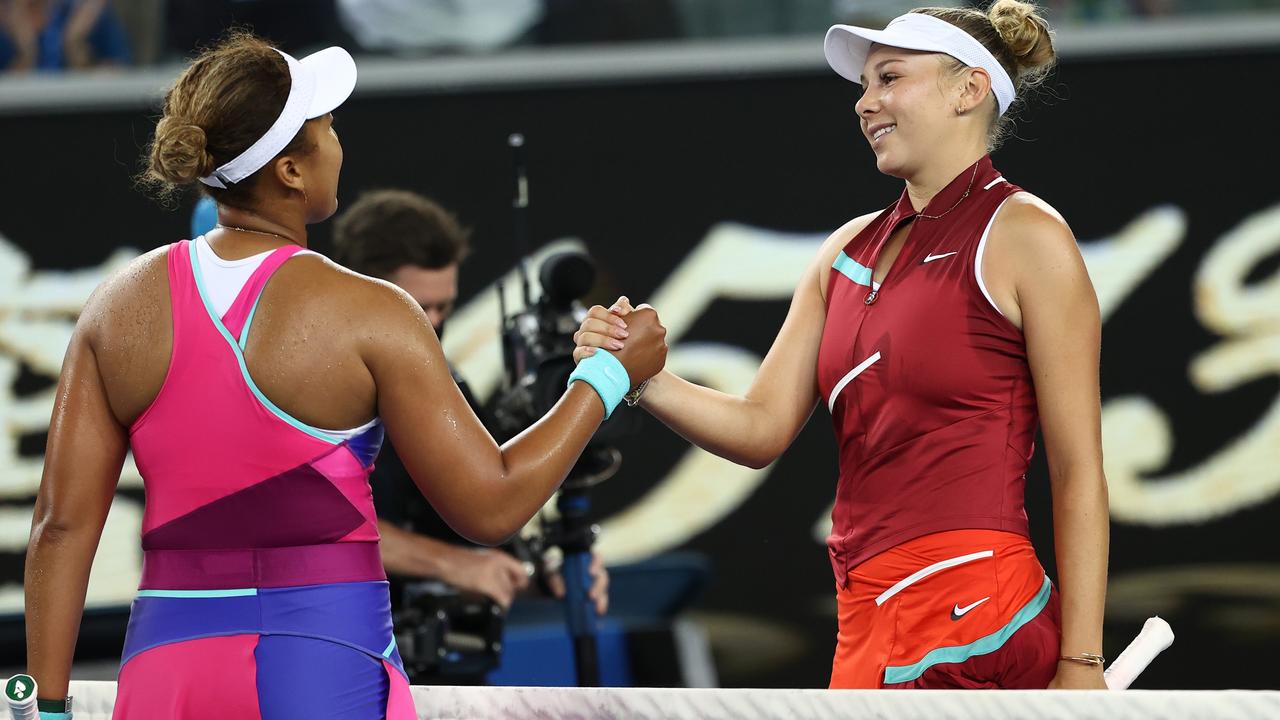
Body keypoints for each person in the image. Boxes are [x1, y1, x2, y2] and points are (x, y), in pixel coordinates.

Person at [23, 32, 665, 719]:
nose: (338, 143)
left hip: (166, 674)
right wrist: (604, 378)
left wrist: (44, 710)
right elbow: (492, 504)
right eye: (327, 127)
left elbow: (61, 528)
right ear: (291, 172)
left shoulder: (116, 307)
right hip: (320, 667)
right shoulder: (372, 312)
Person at [573, 0, 1109, 690]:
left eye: (889, 77)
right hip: (866, 620)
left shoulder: (1027, 233)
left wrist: (1081, 661)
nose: (865, 103)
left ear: (968, 90)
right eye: (863, 86)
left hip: (980, 621)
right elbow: (760, 428)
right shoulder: (844, 253)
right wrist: (638, 375)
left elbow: (1078, 469)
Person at [330, 188, 608, 617]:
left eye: (445, 305)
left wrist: (540, 569)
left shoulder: (444, 377)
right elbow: (315, 525)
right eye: (419, 307)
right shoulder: (317, 386)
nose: (435, 322)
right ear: (362, 288)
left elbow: (480, 502)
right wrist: (452, 565)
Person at [0, 0, 131, 72]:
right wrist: (26, 52)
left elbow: (122, 76)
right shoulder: (5, 27)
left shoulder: (91, 15)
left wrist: (74, 44)